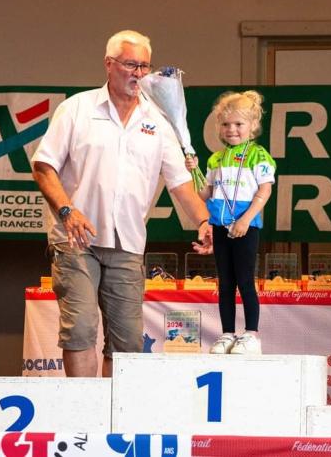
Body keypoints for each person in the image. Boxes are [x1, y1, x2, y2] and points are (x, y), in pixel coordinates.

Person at [32, 30, 211, 378]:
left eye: (145, 66)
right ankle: (85, 413)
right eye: (131, 64)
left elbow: (181, 183)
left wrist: (204, 221)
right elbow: (43, 167)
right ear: (109, 65)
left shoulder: (158, 121)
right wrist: (67, 211)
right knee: (81, 328)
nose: (139, 74)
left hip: (127, 242)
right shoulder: (77, 109)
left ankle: (113, 420)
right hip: (75, 240)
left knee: (128, 341)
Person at [191, 90, 276, 355]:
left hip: (245, 226)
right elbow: (205, 193)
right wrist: (192, 170)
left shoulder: (258, 155)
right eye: (226, 124)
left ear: (252, 126)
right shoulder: (216, 158)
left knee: (245, 280)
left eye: (239, 124)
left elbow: (265, 191)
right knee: (225, 282)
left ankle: (251, 334)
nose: (232, 130)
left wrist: (247, 219)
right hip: (220, 225)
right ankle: (227, 333)